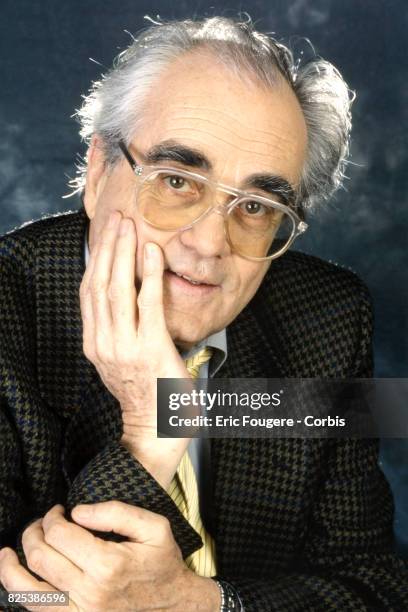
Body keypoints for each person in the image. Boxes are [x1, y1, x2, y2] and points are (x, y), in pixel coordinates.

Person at [0, 15, 406, 612]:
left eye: (257, 205)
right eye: (176, 180)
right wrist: (150, 428)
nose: (210, 244)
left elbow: (376, 586)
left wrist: (203, 603)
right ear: (97, 172)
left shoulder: (331, 317)